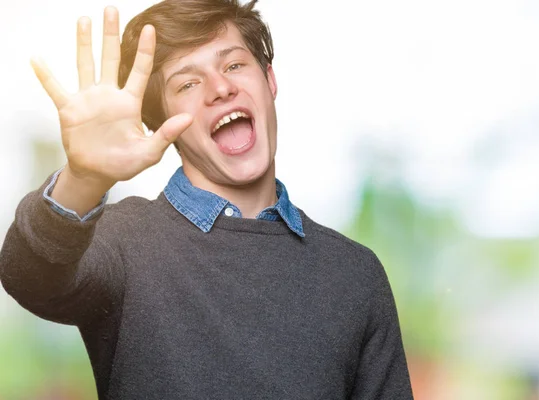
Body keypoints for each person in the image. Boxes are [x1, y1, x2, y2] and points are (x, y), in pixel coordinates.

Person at [0, 0, 414, 398]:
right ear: (164, 123)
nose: (220, 88)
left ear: (269, 80)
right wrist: (84, 177)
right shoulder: (123, 244)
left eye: (234, 64)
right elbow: (28, 275)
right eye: (187, 83)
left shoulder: (355, 275)